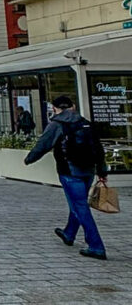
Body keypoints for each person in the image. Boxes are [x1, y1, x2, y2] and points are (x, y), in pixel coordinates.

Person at [24, 95, 108, 260]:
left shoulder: (57, 124)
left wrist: (29, 159)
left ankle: (96, 246)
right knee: (77, 203)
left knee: (80, 206)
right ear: (73, 106)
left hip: (69, 171)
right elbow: (98, 148)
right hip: (88, 170)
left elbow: (43, 144)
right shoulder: (86, 123)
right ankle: (69, 233)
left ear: (55, 108)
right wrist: (102, 171)